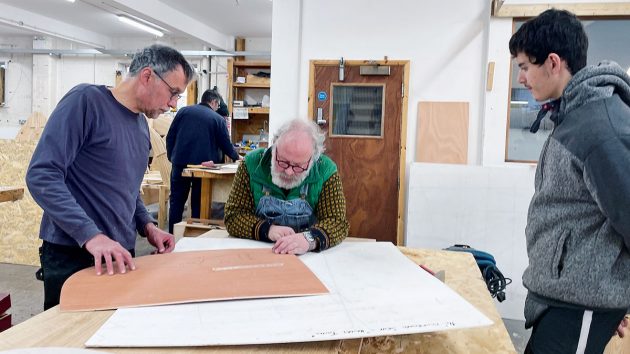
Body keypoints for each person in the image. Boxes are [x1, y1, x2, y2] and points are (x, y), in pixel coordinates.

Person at [26, 44, 195, 310]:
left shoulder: (140, 125)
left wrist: (146, 226)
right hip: (75, 253)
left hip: (119, 254)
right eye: (173, 93)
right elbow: (42, 174)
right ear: (147, 76)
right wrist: (91, 236)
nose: (173, 104)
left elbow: (128, 189)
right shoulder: (86, 102)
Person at [509, 9, 630, 353]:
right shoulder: (574, 115)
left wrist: (614, 293)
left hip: (579, 305)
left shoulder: (599, 125)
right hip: (567, 301)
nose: (521, 78)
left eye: (523, 67)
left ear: (552, 62)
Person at [225, 119, 348, 254]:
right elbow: (233, 215)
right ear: (274, 146)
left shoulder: (325, 170)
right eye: (283, 162)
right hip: (260, 253)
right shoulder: (251, 164)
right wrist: (267, 230)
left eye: (298, 166)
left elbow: (337, 222)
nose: (289, 172)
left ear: (313, 159)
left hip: (308, 257)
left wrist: (309, 239)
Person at [166, 89, 240, 232]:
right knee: (199, 203)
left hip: (180, 164)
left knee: (176, 201)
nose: (218, 109)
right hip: (204, 168)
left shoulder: (183, 112)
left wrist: (172, 156)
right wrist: (238, 157)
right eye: (218, 106)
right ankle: (196, 234)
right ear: (214, 102)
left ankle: (172, 236)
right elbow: (226, 145)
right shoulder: (217, 119)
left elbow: (170, 136)